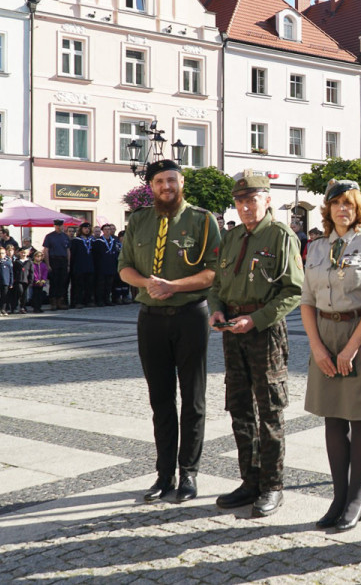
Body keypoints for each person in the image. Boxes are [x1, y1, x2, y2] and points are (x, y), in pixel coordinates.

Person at [119, 159, 223, 504]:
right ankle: (164, 475)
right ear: (151, 187)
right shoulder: (138, 221)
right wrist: (148, 283)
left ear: (182, 183)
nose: (167, 186)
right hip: (150, 318)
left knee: (193, 398)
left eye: (172, 180)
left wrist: (173, 286)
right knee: (160, 399)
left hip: (190, 316)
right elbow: (124, 268)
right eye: (160, 181)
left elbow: (213, 273)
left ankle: (189, 474)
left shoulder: (203, 220)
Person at [300, 179, 361, 532]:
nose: (343, 209)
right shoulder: (317, 247)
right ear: (327, 209)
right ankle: (338, 497)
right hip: (324, 333)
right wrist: (317, 347)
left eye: (349, 204)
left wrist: (351, 348)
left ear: (359, 210)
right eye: (336, 203)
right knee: (332, 419)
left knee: (359, 418)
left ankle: (356, 498)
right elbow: (306, 300)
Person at [210, 171, 303, 517]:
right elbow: (217, 284)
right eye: (240, 201)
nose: (246, 207)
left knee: (269, 411)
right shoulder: (232, 237)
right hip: (233, 332)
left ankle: (272, 485)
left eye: (252, 200)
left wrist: (258, 319)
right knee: (239, 408)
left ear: (267, 199)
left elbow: (295, 290)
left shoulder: (281, 236)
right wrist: (217, 311)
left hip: (264, 332)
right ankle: (248, 481)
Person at [42, 219, 70, 311]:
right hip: (53, 260)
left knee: (62, 282)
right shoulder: (49, 236)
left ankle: (60, 301)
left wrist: (68, 264)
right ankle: (53, 302)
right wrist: (47, 264)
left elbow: (68, 250)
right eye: (57, 226)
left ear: (63, 226)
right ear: (55, 226)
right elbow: (46, 250)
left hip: (63, 260)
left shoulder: (65, 236)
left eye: (60, 225)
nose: (59, 227)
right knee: (54, 282)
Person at [93, 224, 121, 306]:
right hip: (101, 266)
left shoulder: (114, 241)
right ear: (103, 231)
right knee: (101, 284)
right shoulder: (98, 241)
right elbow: (95, 255)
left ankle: (107, 299)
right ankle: (99, 300)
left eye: (109, 229)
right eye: (105, 229)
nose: (107, 231)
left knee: (109, 284)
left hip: (111, 266)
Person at [70, 222, 95, 308]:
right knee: (78, 285)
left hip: (89, 266)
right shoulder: (76, 240)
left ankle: (87, 300)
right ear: (81, 229)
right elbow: (73, 254)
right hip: (79, 266)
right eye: (85, 228)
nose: (87, 230)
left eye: (88, 228)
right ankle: (77, 301)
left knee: (89, 285)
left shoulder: (92, 240)